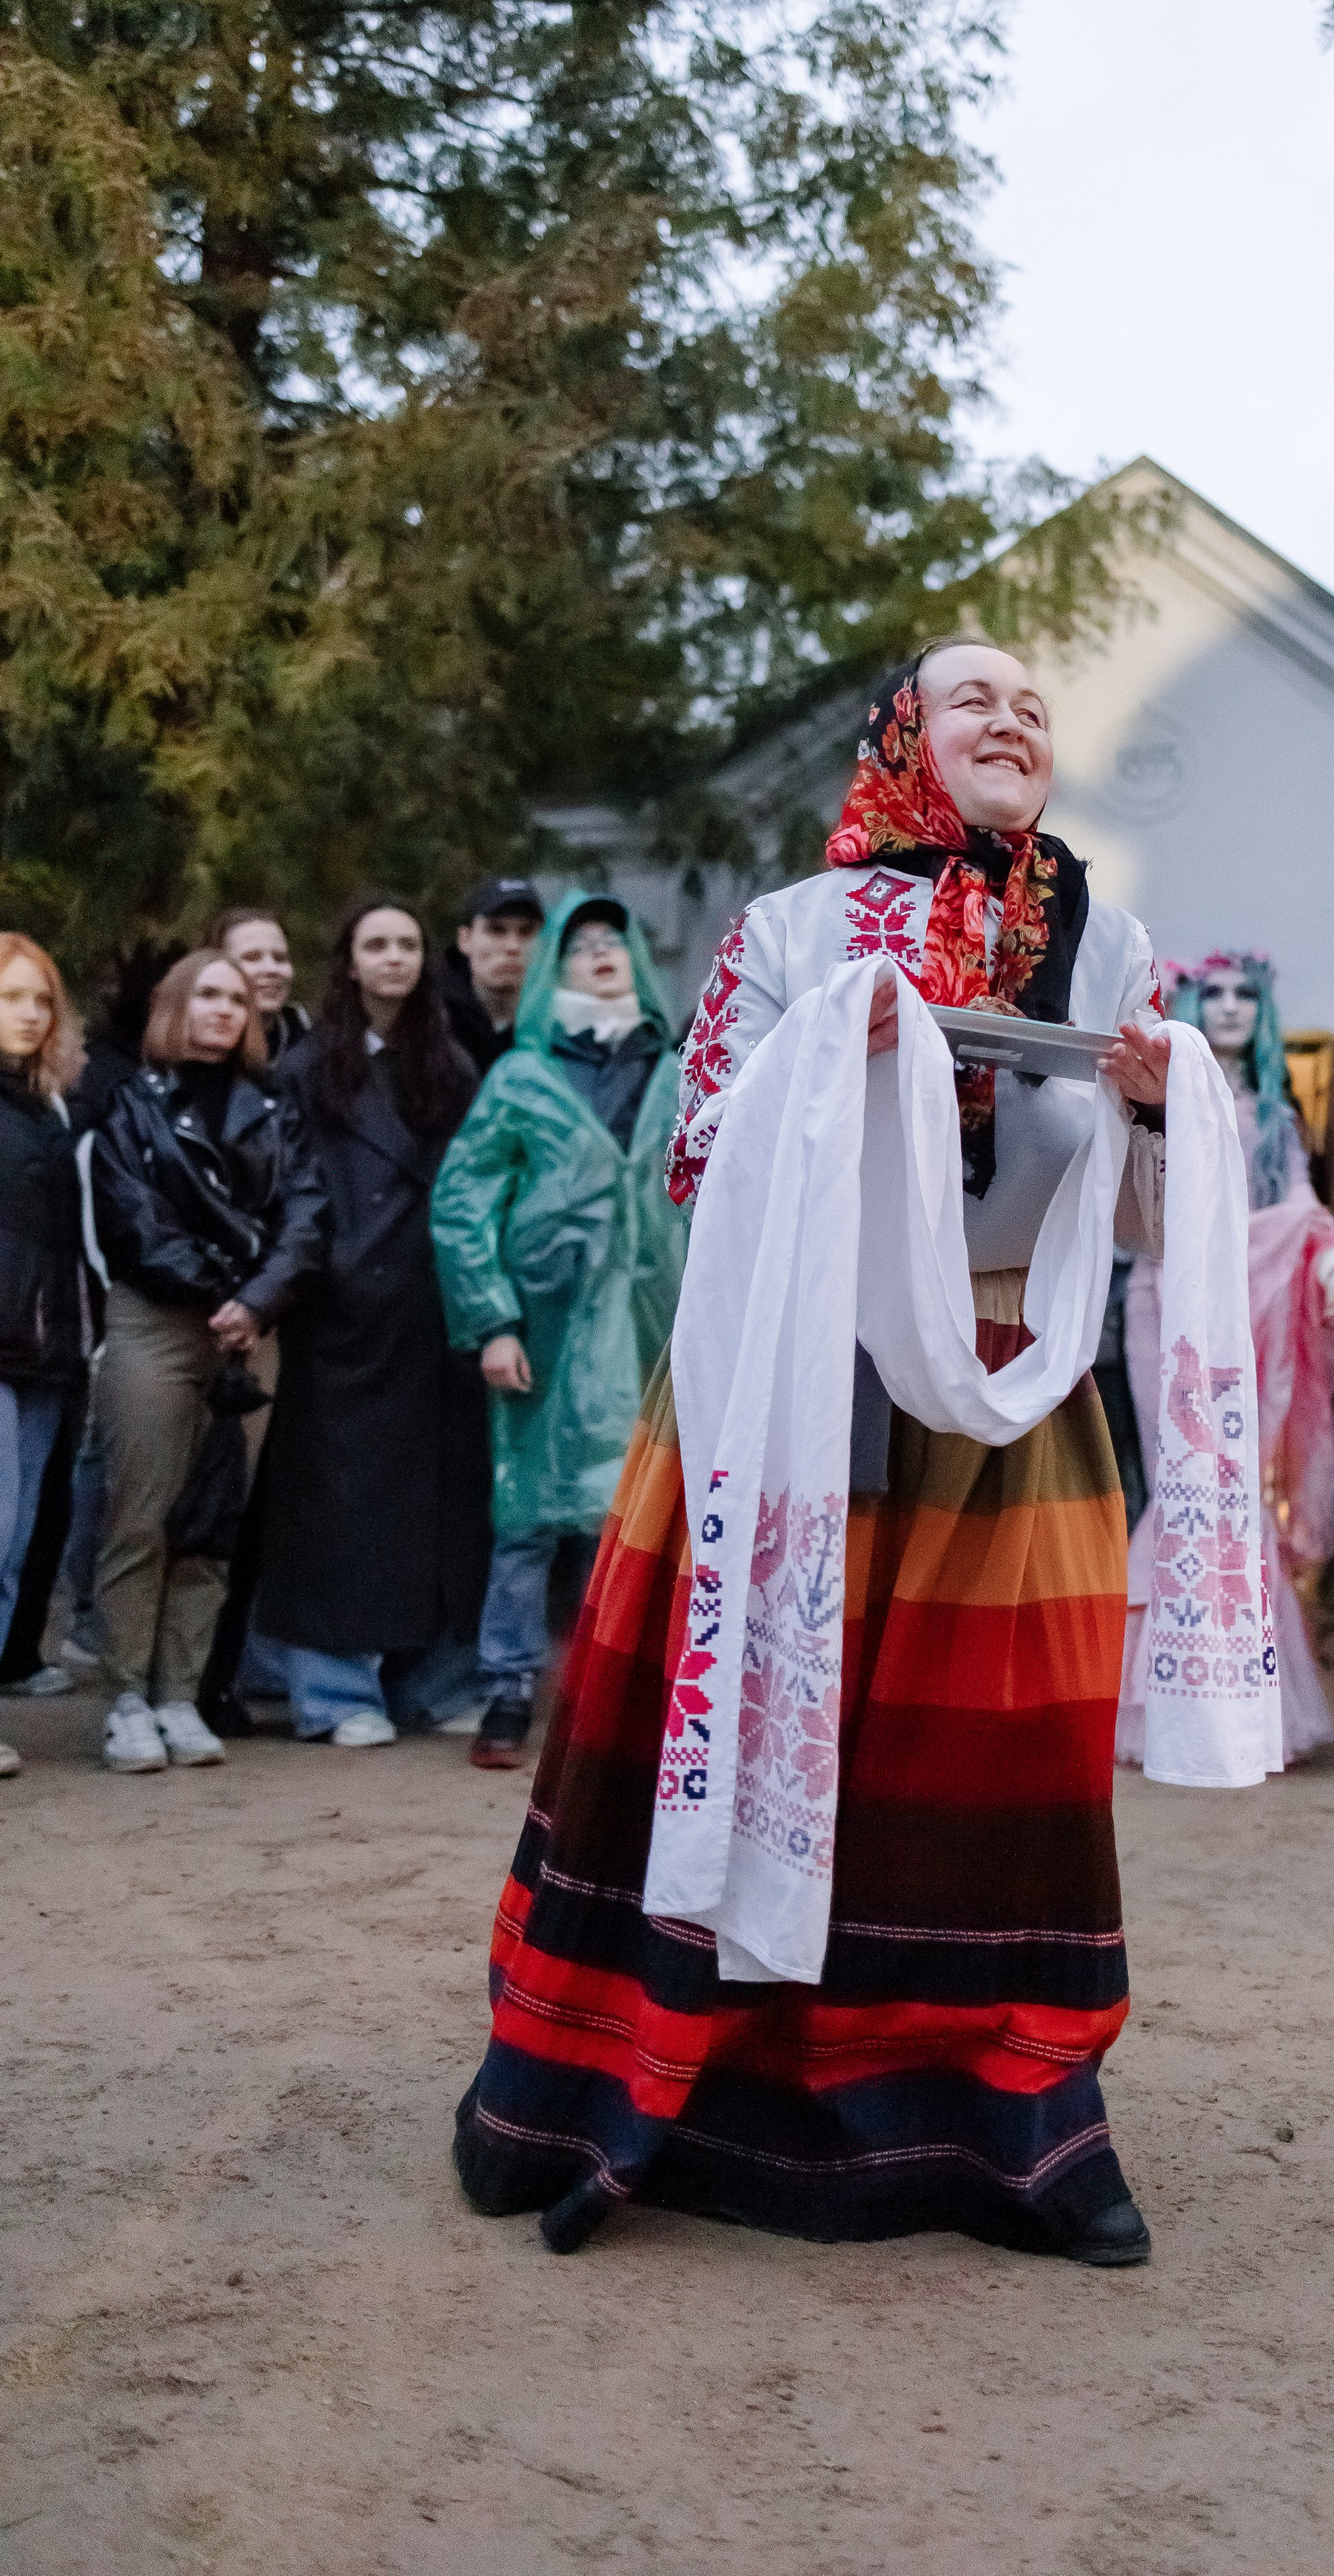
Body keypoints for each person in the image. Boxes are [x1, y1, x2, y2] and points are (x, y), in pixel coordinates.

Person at [450, 637, 1270, 2270]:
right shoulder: (791, 928)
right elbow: (697, 1153)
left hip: (1009, 1391)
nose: (1011, 721)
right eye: (974, 700)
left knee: (992, 1775)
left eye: (1033, 708)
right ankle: (639, 2077)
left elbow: (1134, 1217)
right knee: (747, 1717)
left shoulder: (1107, 942)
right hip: (794, 1377)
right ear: (901, 736)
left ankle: (1011, 2113)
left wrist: (1157, 1105)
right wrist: (840, 1064)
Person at [432, 891, 684, 1770]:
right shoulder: (521, 1076)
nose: (601, 952)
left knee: (638, 1512)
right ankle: (508, 1690)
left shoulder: (681, 1072)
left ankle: (612, 1696)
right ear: (557, 967)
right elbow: (463, 1201)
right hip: (547, 1324)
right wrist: (493, 1320)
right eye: (582, 944)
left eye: (615, 938)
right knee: (531, 1514)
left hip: (657, 1324)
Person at [250, 903, 491, 1744]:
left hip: (432, 1309)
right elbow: (291, 1187)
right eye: (376, 945)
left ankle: (429, 1683)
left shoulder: (450, 1063)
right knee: (338, 1506)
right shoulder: (307, 1066)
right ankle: (333, 1693)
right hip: (340, 1314)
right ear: (349, 963)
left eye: (408, 945)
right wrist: (334, 1273)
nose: (394, 958)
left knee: (437, 1504)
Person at [87, 950, 326, 1773]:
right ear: (176, 1006)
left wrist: (256, 1303)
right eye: (208, 995)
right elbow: (131, 1219)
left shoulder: (276, 1108)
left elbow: (307, 1216)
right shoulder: (131, 1103)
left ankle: (179, 1696)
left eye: (237, 1000)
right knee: (142, 1515)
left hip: (250, 1333)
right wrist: (223, 1291)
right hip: (158, 1325)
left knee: (214, 1521)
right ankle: (126, 1698)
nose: (225, 1010)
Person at [1119, 950, 1334, 1765]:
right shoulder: (1153, 1099)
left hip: (1242, 1316)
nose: (1228, 1006)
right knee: (1179, 1486)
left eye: (1244, 993)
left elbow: (1301, 1204)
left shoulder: (1277, 1117)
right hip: (1160, 1304)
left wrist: (1330, 1251)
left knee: (1236, 1490)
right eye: (1211, 991)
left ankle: (1245, 1704)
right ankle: (1159, 1703)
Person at [0, 936, 90, 1775]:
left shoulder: (50, 1106)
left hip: (45, 1352)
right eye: (11, 997)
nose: (30, 1014)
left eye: (41, 999)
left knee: (16, 1541)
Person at [437, 877, 544, 1077]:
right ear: (465, 940)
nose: (513, 947)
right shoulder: (430, 1020)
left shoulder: (562, 1026)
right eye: (496, 930)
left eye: (526, 931)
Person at [210, 909, 312, 1068]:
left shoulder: (313, 1043)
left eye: (280, 958)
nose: (271, 969)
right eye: (252, 958)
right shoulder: (192, 1054)